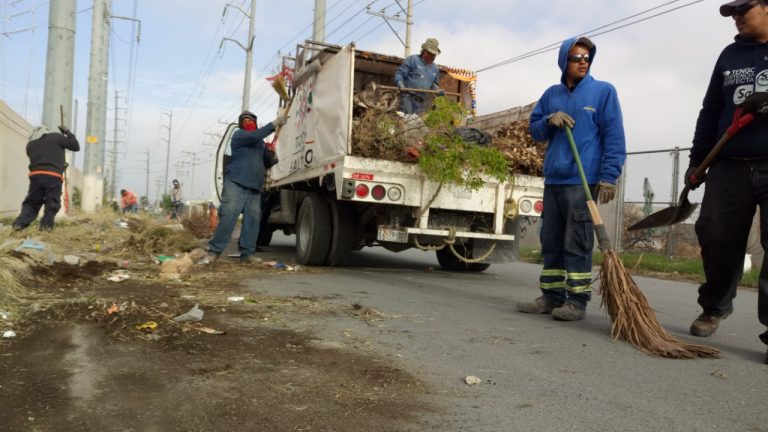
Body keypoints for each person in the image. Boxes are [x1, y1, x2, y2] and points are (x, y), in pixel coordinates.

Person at [517, 36, 626, 321]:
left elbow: (614, 137)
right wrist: (549, 119)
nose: (583, 62)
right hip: (554, 179)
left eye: (587, 58)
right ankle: (552, 296)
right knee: (551, 240)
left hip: (582, 179)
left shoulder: (603, 92)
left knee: (576, 241)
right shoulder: (551, 94)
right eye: (577, 57)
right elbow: (535, 130)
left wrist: (609, 176)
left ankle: (577, 300)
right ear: (564, 61)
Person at [685, 0, 768, 364]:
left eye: (742, 9)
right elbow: (711, 111)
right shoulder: (729, 55)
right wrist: (697, 161)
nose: (735, 17)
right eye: (731, 12)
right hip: (729, 163)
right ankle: (715, 306)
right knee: (716, 235)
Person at [207, 110, 285, 263]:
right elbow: (255, 135)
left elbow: (267, 163)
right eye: (245, 121)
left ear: (255, 124)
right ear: (241, 125)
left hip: (254, 188)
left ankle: (247, 254)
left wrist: (271, 154)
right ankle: (214, 252)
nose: (248, 123)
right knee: (228, 217)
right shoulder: (240, 135)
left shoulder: (260, 143)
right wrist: (273, 124)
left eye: (251, 121)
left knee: (253, 221)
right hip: (236, 182)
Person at [12, 124, 80, 231]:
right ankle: (46, 227)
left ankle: (19, 224)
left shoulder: (30, 145)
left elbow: (43, 161)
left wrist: (59, 166)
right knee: (52, 202)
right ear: (46, 131)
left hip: (36, 176)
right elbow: (75, 146)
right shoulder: (56, 137)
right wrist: (67, 132)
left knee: (32, 202)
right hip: (53, 176)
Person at [394, 38, 444, 114]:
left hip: (421, 103)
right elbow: (399, 74)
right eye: (430, 53)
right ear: (424, 51)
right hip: (407, 98)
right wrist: (400, 83)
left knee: (417, 123)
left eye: (434, 55)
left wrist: (437, 90)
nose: (432, 56)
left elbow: (433, 85)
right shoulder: (413, 60)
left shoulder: (435, 69)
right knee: (406, 121)